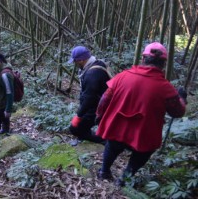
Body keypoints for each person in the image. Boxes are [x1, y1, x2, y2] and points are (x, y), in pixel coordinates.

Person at [95, 42, 187, 186]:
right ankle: (123, 180)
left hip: (118, 125)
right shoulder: (165, 87)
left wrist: (99, 116)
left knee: (113, 145)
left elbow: (105, 99)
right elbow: (178, 112)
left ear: (143, 59)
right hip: (144, 132)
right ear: (163, 64)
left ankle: (104, 171)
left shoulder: (123, 76)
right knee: (143, 153)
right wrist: (182, 98)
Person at [68, 46, 110, 146]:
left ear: (81, 60)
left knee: (74, 128)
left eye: (75, 61)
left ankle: (103, 140)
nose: (75, 63)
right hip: (100, 104)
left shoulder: (92, 74)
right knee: (81, 126)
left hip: (98, 108)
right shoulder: (97, 63)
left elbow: (89, 98)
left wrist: (79, 115)